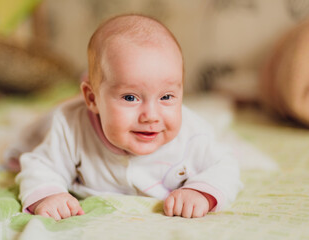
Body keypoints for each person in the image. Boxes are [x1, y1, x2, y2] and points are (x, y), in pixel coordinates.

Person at [15, 14, 242, 221]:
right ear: (92, 99)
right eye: (130, 98)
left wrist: (200, 191)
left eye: (166, 96)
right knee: (43, 123)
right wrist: (49, 194)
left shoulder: (192, 135)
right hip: (73, 110)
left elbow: (226, 166)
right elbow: (41, 165)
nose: (151, 116)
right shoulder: (70, 127)